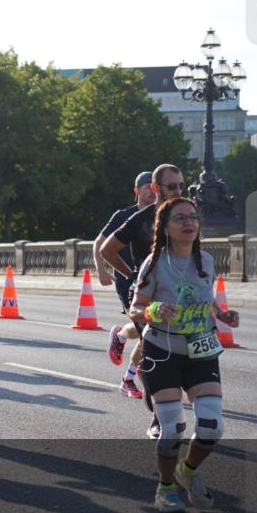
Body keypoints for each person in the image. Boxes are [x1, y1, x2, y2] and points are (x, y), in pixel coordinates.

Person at [129, 197, 239, 512]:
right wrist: (152, 309)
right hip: (162, 351)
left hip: (201, 349)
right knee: (173, 427)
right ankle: (165, 489)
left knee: (211, 426)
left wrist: (223, 314)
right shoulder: (153, 262)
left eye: (193, 217)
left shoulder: (205, 259)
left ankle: (186, 472)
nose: (188, 223)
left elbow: (206, 299)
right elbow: (134, 308)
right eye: (179, 218)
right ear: (164, 227)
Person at [101, 163, 187, 438]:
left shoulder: (187, 216)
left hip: (181, 298)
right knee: (158, 354)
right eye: (171, 186)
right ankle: (159, 418)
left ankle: (162, 405)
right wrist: (134, 274)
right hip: (149, 299)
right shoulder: (140, 219)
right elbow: (106, 249)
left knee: (179, 354)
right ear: (155, 188)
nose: (178, 192)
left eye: (181, 186)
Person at [95, 171, 156, 398]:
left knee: (148, 327)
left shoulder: (161, 215)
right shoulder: (124, 216)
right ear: (137, 190)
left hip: (154, 281)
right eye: (147, 186)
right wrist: (102, 269)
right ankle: (128, 379)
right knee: (147, 333)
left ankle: (120, 335)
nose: (151, 190)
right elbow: (99, 244)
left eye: (154, 186)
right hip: (128, 281)